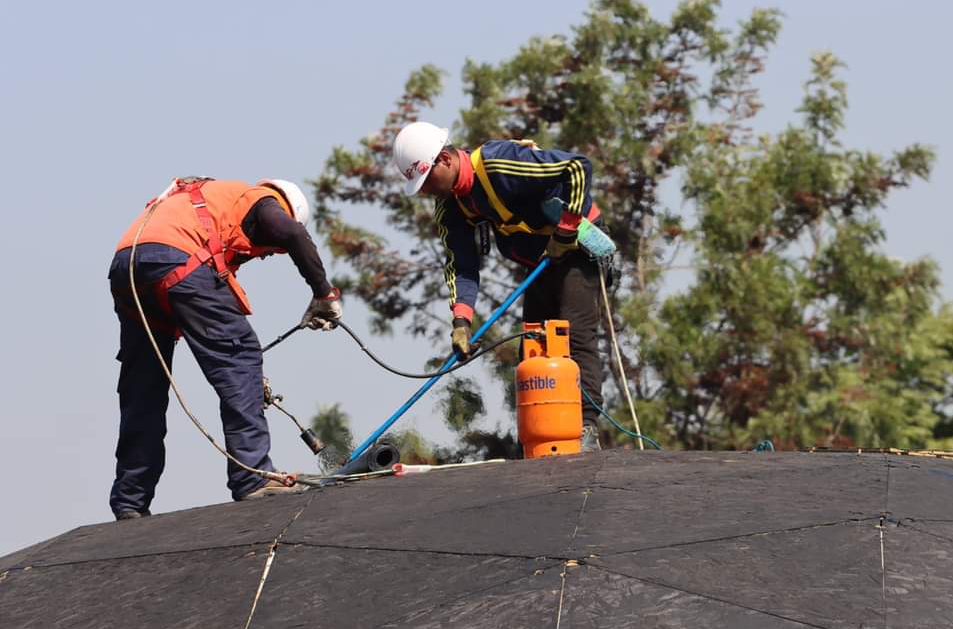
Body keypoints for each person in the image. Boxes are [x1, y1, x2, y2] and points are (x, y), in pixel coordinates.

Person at [108, 177, 342, 520]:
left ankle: (130, 499)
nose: (263, 256)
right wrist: (324, 293)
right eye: (270, 250)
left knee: (144, 389)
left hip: (127, 269)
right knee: (242, 354)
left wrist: (249, 377)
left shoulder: (203, 207)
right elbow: (292, 234)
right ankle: (253, 476)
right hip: (176, 258)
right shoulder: (263, 201)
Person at [391, 122, 615, 452]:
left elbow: (577, 167)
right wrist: (461, 321)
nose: (425, 192)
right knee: (535, 344)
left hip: (577, 245)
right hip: (540, 259)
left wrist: (566, 229)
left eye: (425, 181)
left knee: (572, 333)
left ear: (445, 160)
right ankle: (538, 434)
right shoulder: (450, 207)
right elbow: (461, 265)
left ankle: (585, 427)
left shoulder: (498, 162)